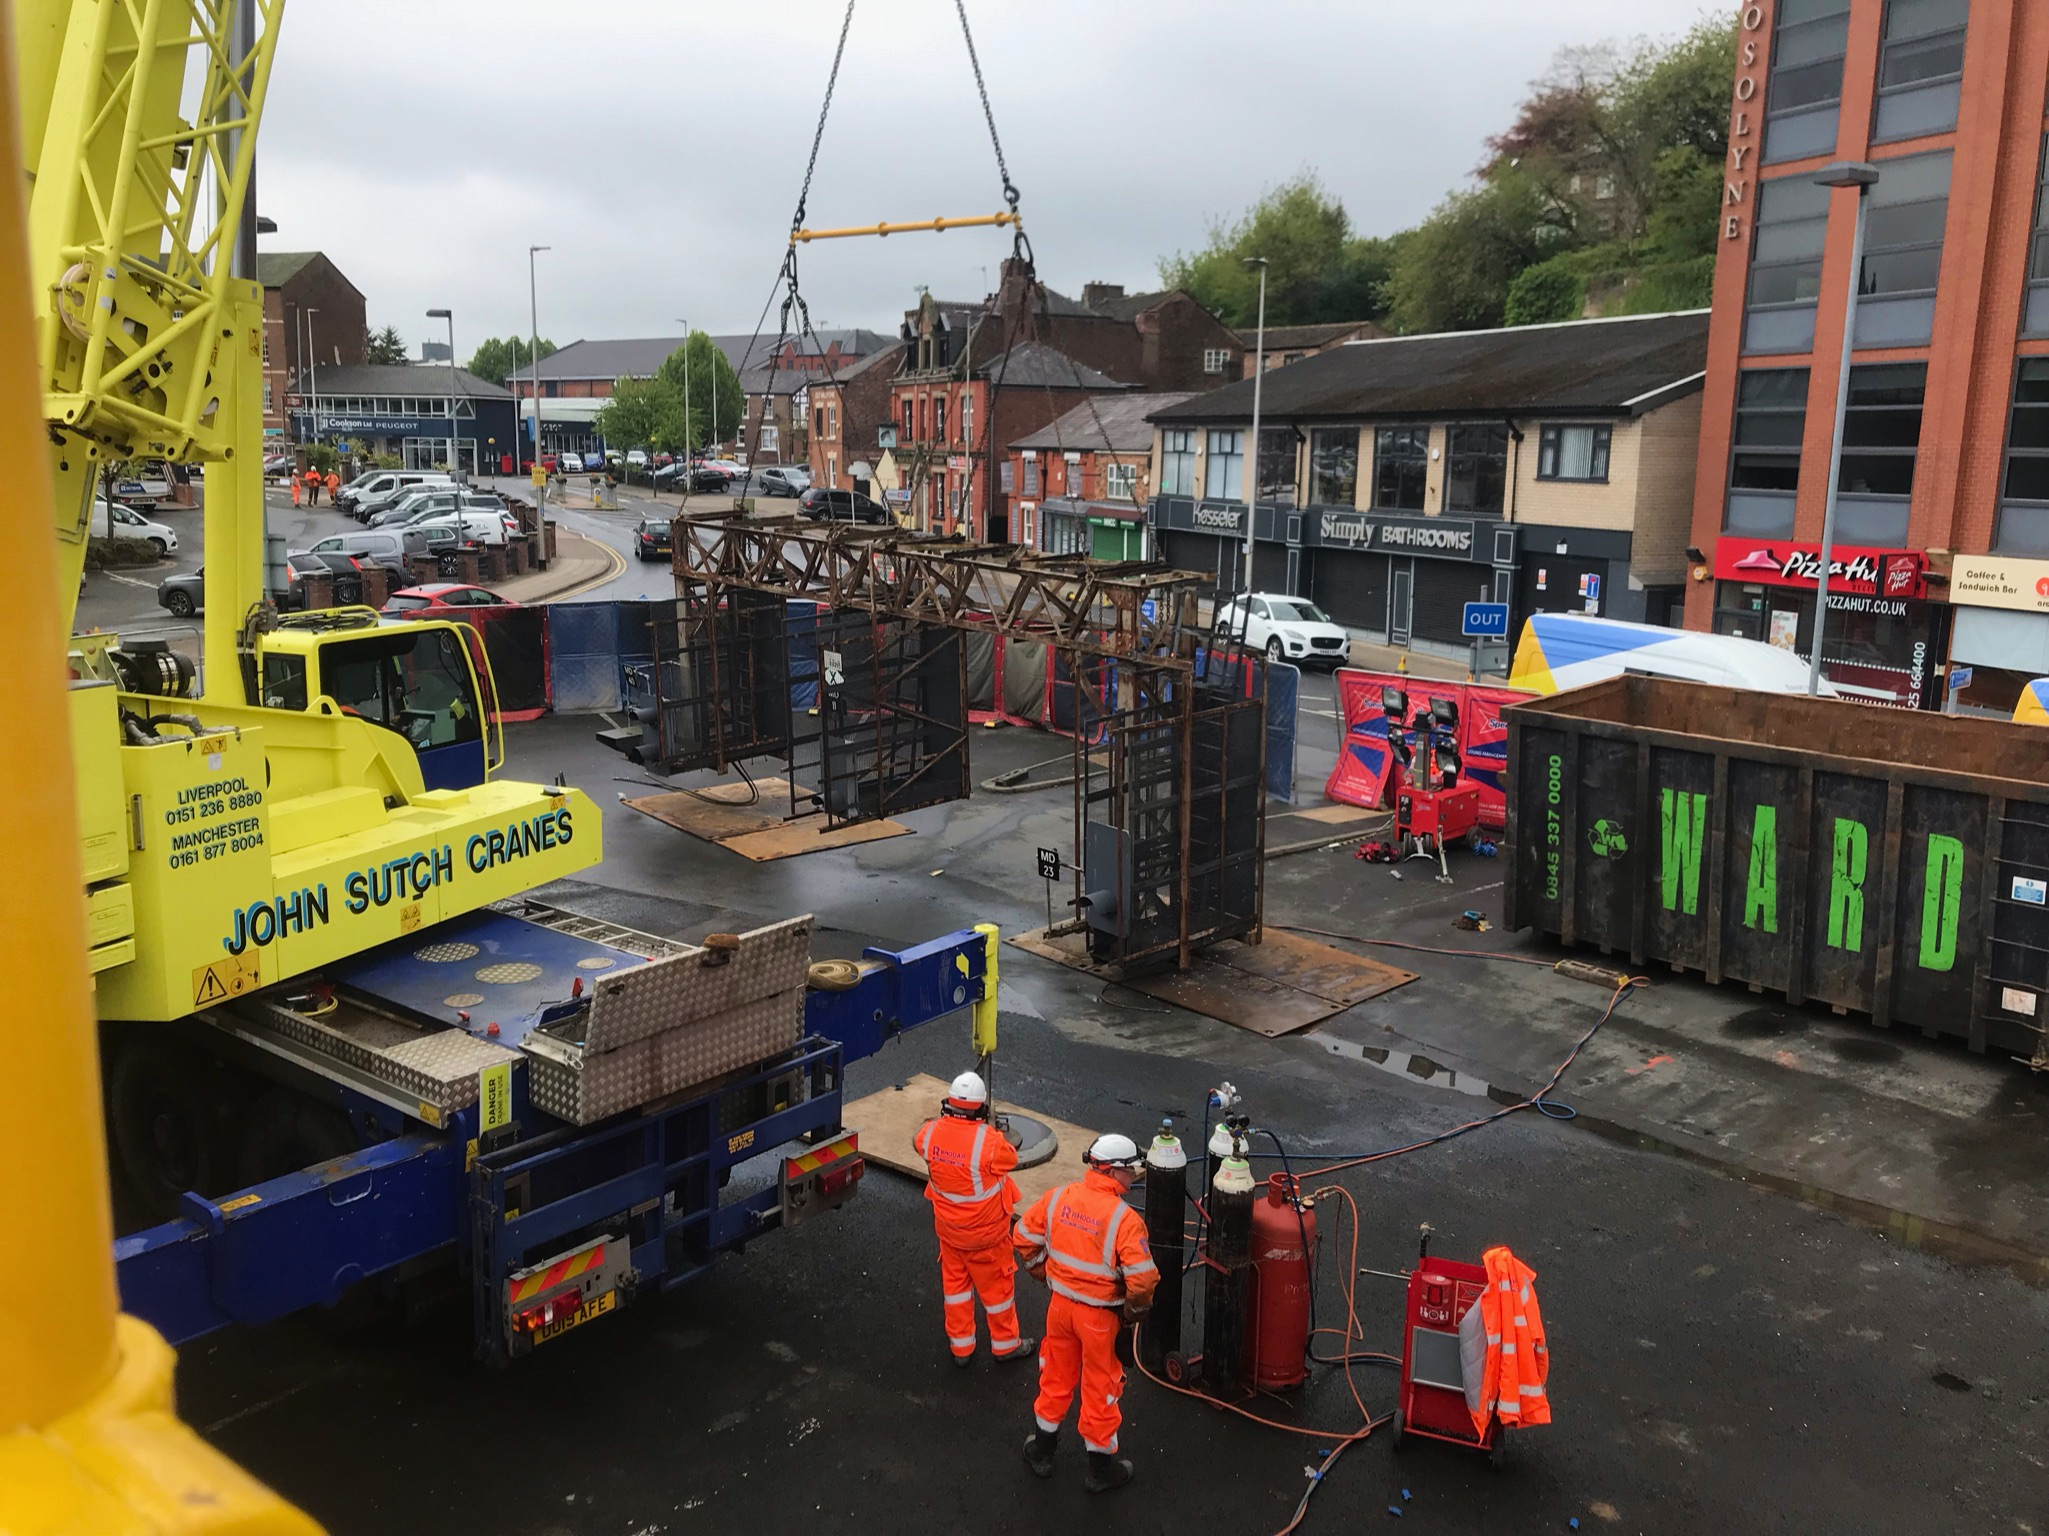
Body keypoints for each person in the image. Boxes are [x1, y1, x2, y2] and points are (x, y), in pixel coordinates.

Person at [1015, 1133, 1157, 1493]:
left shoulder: (1059, 1197)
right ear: (1115, 1171)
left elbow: (1024, 1237)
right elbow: (1142, 1282)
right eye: (1130, 1171)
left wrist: (1042, 1272)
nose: (1133, 1177)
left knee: (1055, 1377)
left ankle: (1042, 1450)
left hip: (1060, 1310)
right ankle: (1099, 1469)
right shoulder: (1125, 1220)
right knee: (1101, 1388)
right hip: (1100, 1319)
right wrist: (1132, 1314)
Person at [912, 1071, 1032, 1368]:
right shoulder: (989, 1143)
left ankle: (961, 1348)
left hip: (950, 1234)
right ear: (980, 1108)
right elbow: (1010, 1159)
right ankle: (1006, 1346)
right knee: (998, 1292)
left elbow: (921, 1145)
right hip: (986, 1238)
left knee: (956, 1291)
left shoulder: (927, 1135)